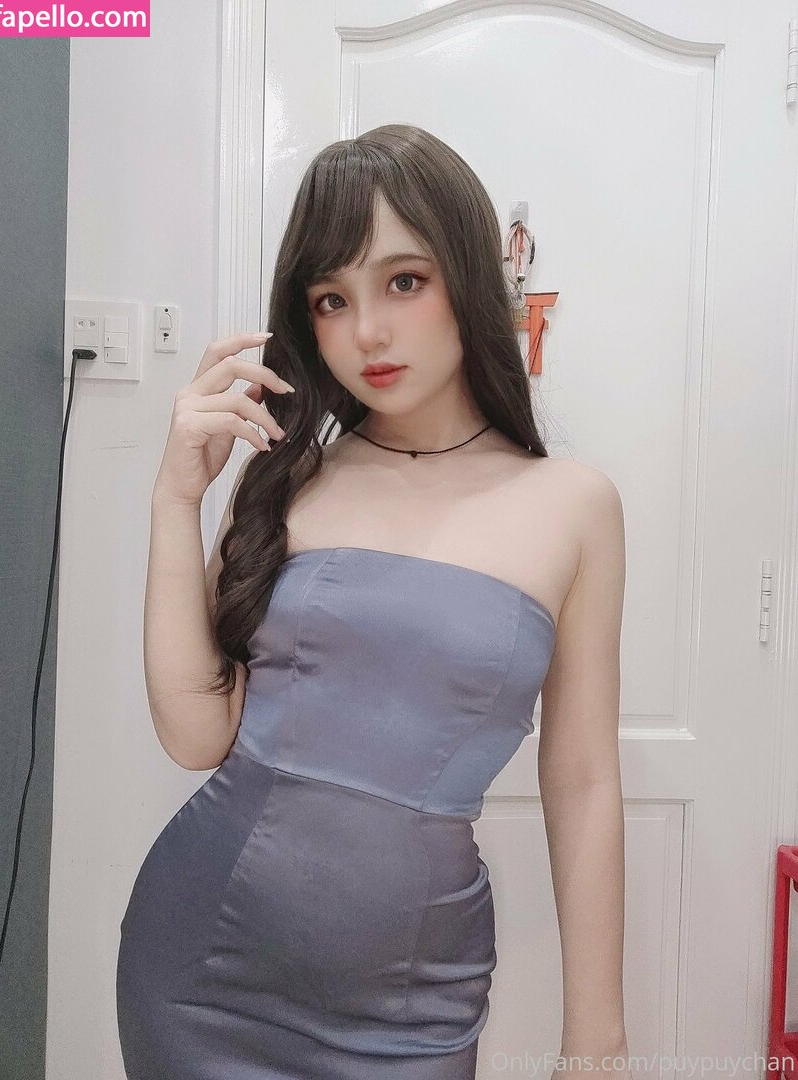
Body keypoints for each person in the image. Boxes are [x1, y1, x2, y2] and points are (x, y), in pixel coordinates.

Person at [116, 123, 628, 1080]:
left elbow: (584, 779)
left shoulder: (574, 507)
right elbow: (195, 734)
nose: (368, 334)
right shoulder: (287, 479)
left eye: (404, 281)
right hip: (201, 975)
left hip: (413, 1005)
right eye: (332, 299)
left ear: (467, 276)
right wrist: (176, 500)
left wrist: (596, 1045)